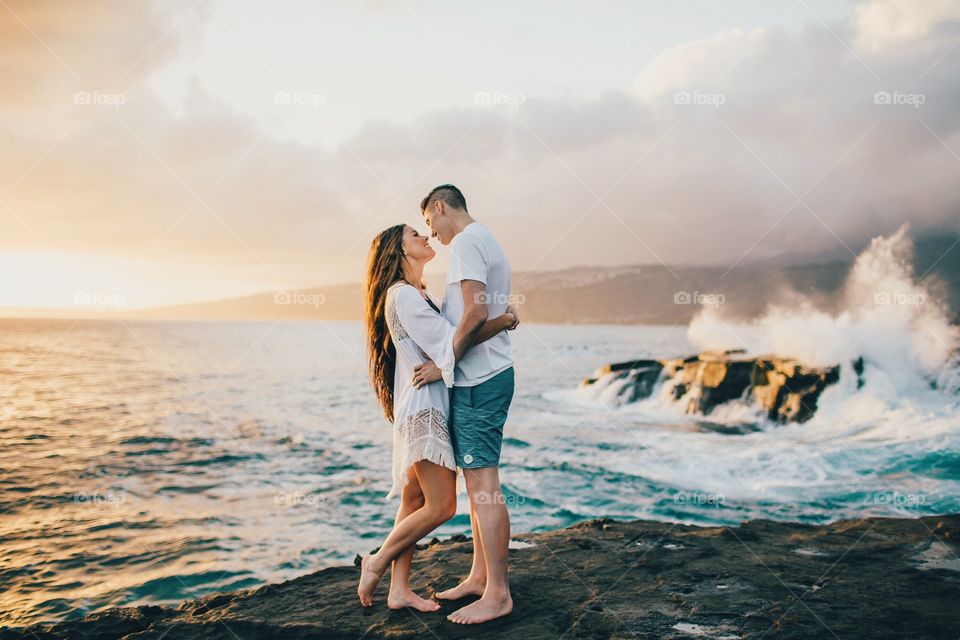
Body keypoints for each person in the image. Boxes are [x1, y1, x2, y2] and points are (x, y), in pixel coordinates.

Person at [357, 223, 518, 610]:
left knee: (414, 496)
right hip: (426, 411)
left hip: (425, 406)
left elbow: (447, 341)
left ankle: (398, 590)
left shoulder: (418, 294)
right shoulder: (403, 297)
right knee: (442, 506)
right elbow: (452, 341)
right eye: (416, 234)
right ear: (399, 251)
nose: (425, 237)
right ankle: (375, 561)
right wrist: (504, 321)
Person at [417, 184, 517, 624]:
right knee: (476, 485)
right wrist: (507, 320)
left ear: (440, 208)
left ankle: (498, 594)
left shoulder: (466, 243)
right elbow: (485, 314)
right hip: (482, 378)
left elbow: (474, 313)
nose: (431, 233)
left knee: (483, 486)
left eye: (428, 222)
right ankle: (480, 576)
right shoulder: (484, 239)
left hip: (479, 381)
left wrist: (443, 364)